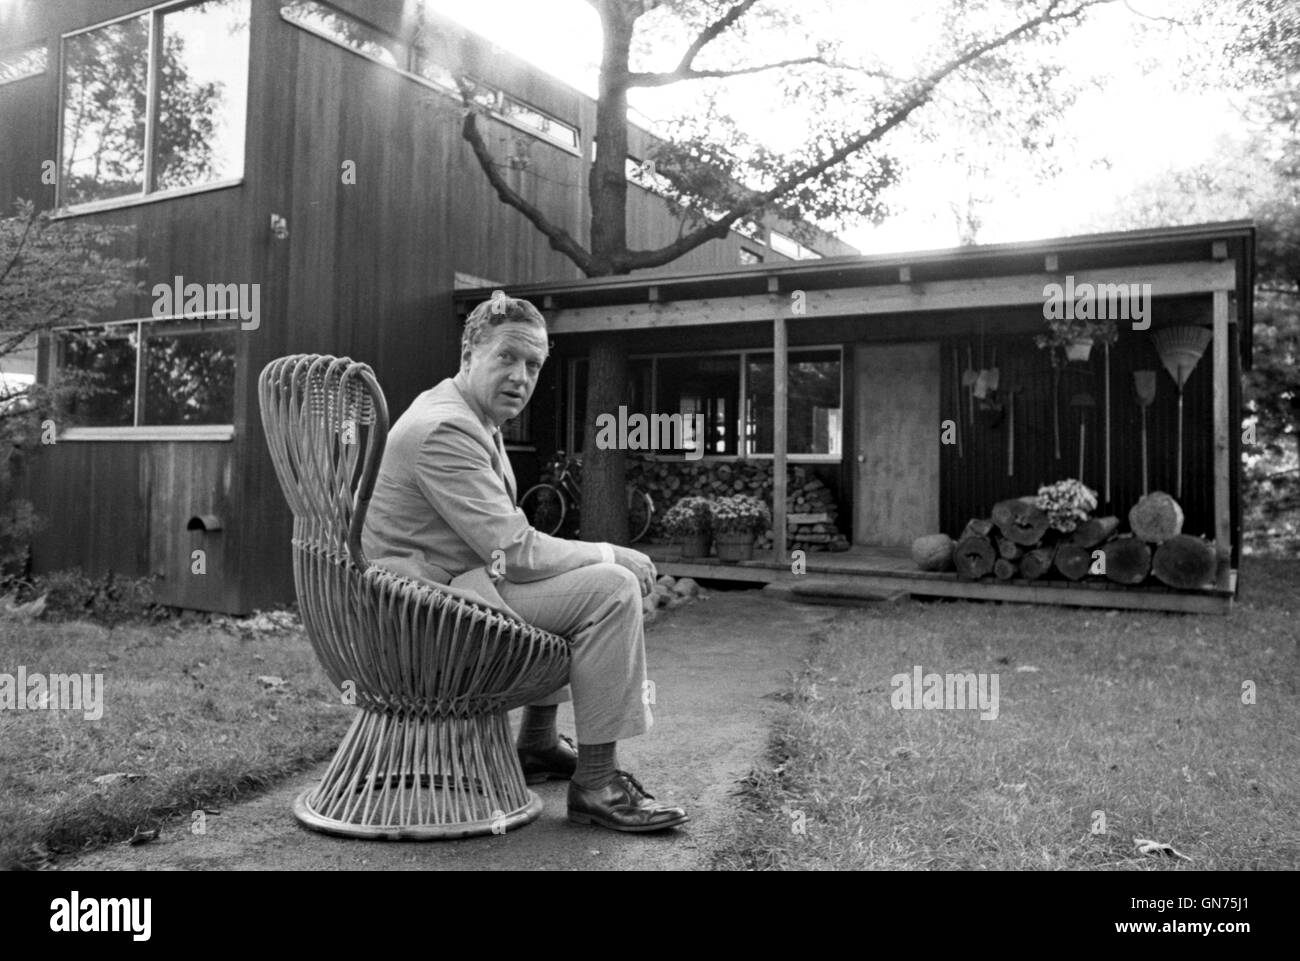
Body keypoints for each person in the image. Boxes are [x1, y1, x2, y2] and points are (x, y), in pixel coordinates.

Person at [361, 290, 688, 833]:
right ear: (469, 356)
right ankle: (597, 785)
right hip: (418, 619)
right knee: (608, 589)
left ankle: (536, 743)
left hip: (446, 595)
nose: (521, 376)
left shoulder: (466, 414)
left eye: (533, 365)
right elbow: (514, 551)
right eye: (506, 358)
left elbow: (509, 546)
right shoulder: (445, 428)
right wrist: (610, 552)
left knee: (580, 578)